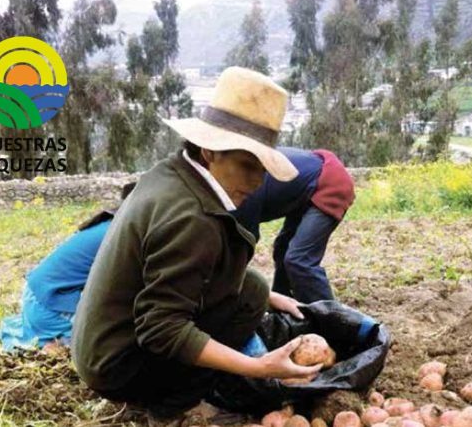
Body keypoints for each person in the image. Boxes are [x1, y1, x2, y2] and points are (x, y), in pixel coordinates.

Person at [71, 67, 323, 424]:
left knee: (252, 288)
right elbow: (162, 329)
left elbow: (191, 268)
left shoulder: (171, 173)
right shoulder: (195, 218)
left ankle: (165, 391)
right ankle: (172, 407)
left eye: (262, 168)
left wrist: (272, 296)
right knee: (244, 300)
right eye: (247, 164)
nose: (256, 182)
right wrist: (257, 365)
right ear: (210, 150)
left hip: (100, 347)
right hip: (118, 366)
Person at [0, 182, 136, 351]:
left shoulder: (113, 224)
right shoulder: (123, 234)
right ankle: (55, 344)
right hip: (48, 306)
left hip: (37, 295)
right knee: (123, 338)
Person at [231, 147, 355, 304]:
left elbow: (242, 243)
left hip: (330, 182)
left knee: (299, 261)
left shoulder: (242, 188)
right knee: (282, 250)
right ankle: (285, 309)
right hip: (306, 183)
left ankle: (333, 321)